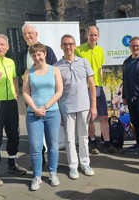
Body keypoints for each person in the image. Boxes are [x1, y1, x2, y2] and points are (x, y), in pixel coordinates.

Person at [22, 43, 63, 190]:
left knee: (53, 146)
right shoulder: (28, 72)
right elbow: (25, 93)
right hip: (33, 114)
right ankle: (37, 176)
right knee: (35, 147)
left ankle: (52, 173)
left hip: (52, 113)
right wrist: (35, 109)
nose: (37, 57)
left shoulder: (55, 70)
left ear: (45, 54)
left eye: (39, 54)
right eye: (34, 55)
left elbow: (59, 91)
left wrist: (45, 107)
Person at [56, 34, 97, 179]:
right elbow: (57, 91)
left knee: (84, 137)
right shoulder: (57, 66)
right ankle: (73, 166)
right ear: (61, 46)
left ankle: (85, 164)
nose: (68, 47)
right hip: (66, 108)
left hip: (84, 106)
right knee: (69, 139)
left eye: (71, 44)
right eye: (65, 44)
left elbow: (92, 85)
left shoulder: (84, 62)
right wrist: (59, 113)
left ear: (75, 46)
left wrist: (94, 106)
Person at [75, 25, 117, 154]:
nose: (93, 37)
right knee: (90, 117)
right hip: (86, 88)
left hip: (99, 87)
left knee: (104, 116)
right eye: (91, 34)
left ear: (98, 36)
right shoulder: (78, 50)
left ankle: (107, 142)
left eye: (95, 35)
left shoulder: (100, 51)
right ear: (87, 35)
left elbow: (100, 69)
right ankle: (92, 142)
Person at [22, 23, 57, 166]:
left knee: (50, 134)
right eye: (25, 34)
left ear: (36, 34)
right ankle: (39, 160)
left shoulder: (47, 50)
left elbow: (55, 71)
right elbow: (21, 73)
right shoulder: (23, 52)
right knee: (36, 133)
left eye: (30, 33)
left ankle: (52, 163)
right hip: (30, 98)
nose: (28, 36)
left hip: (48, 99)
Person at [0, 34, 27, 187]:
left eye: (2, 44)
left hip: (11, 103)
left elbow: (15, 78)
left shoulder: (10, 62)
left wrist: (15, 93)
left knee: (14, 134)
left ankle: (12, 164)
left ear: (7, 47)